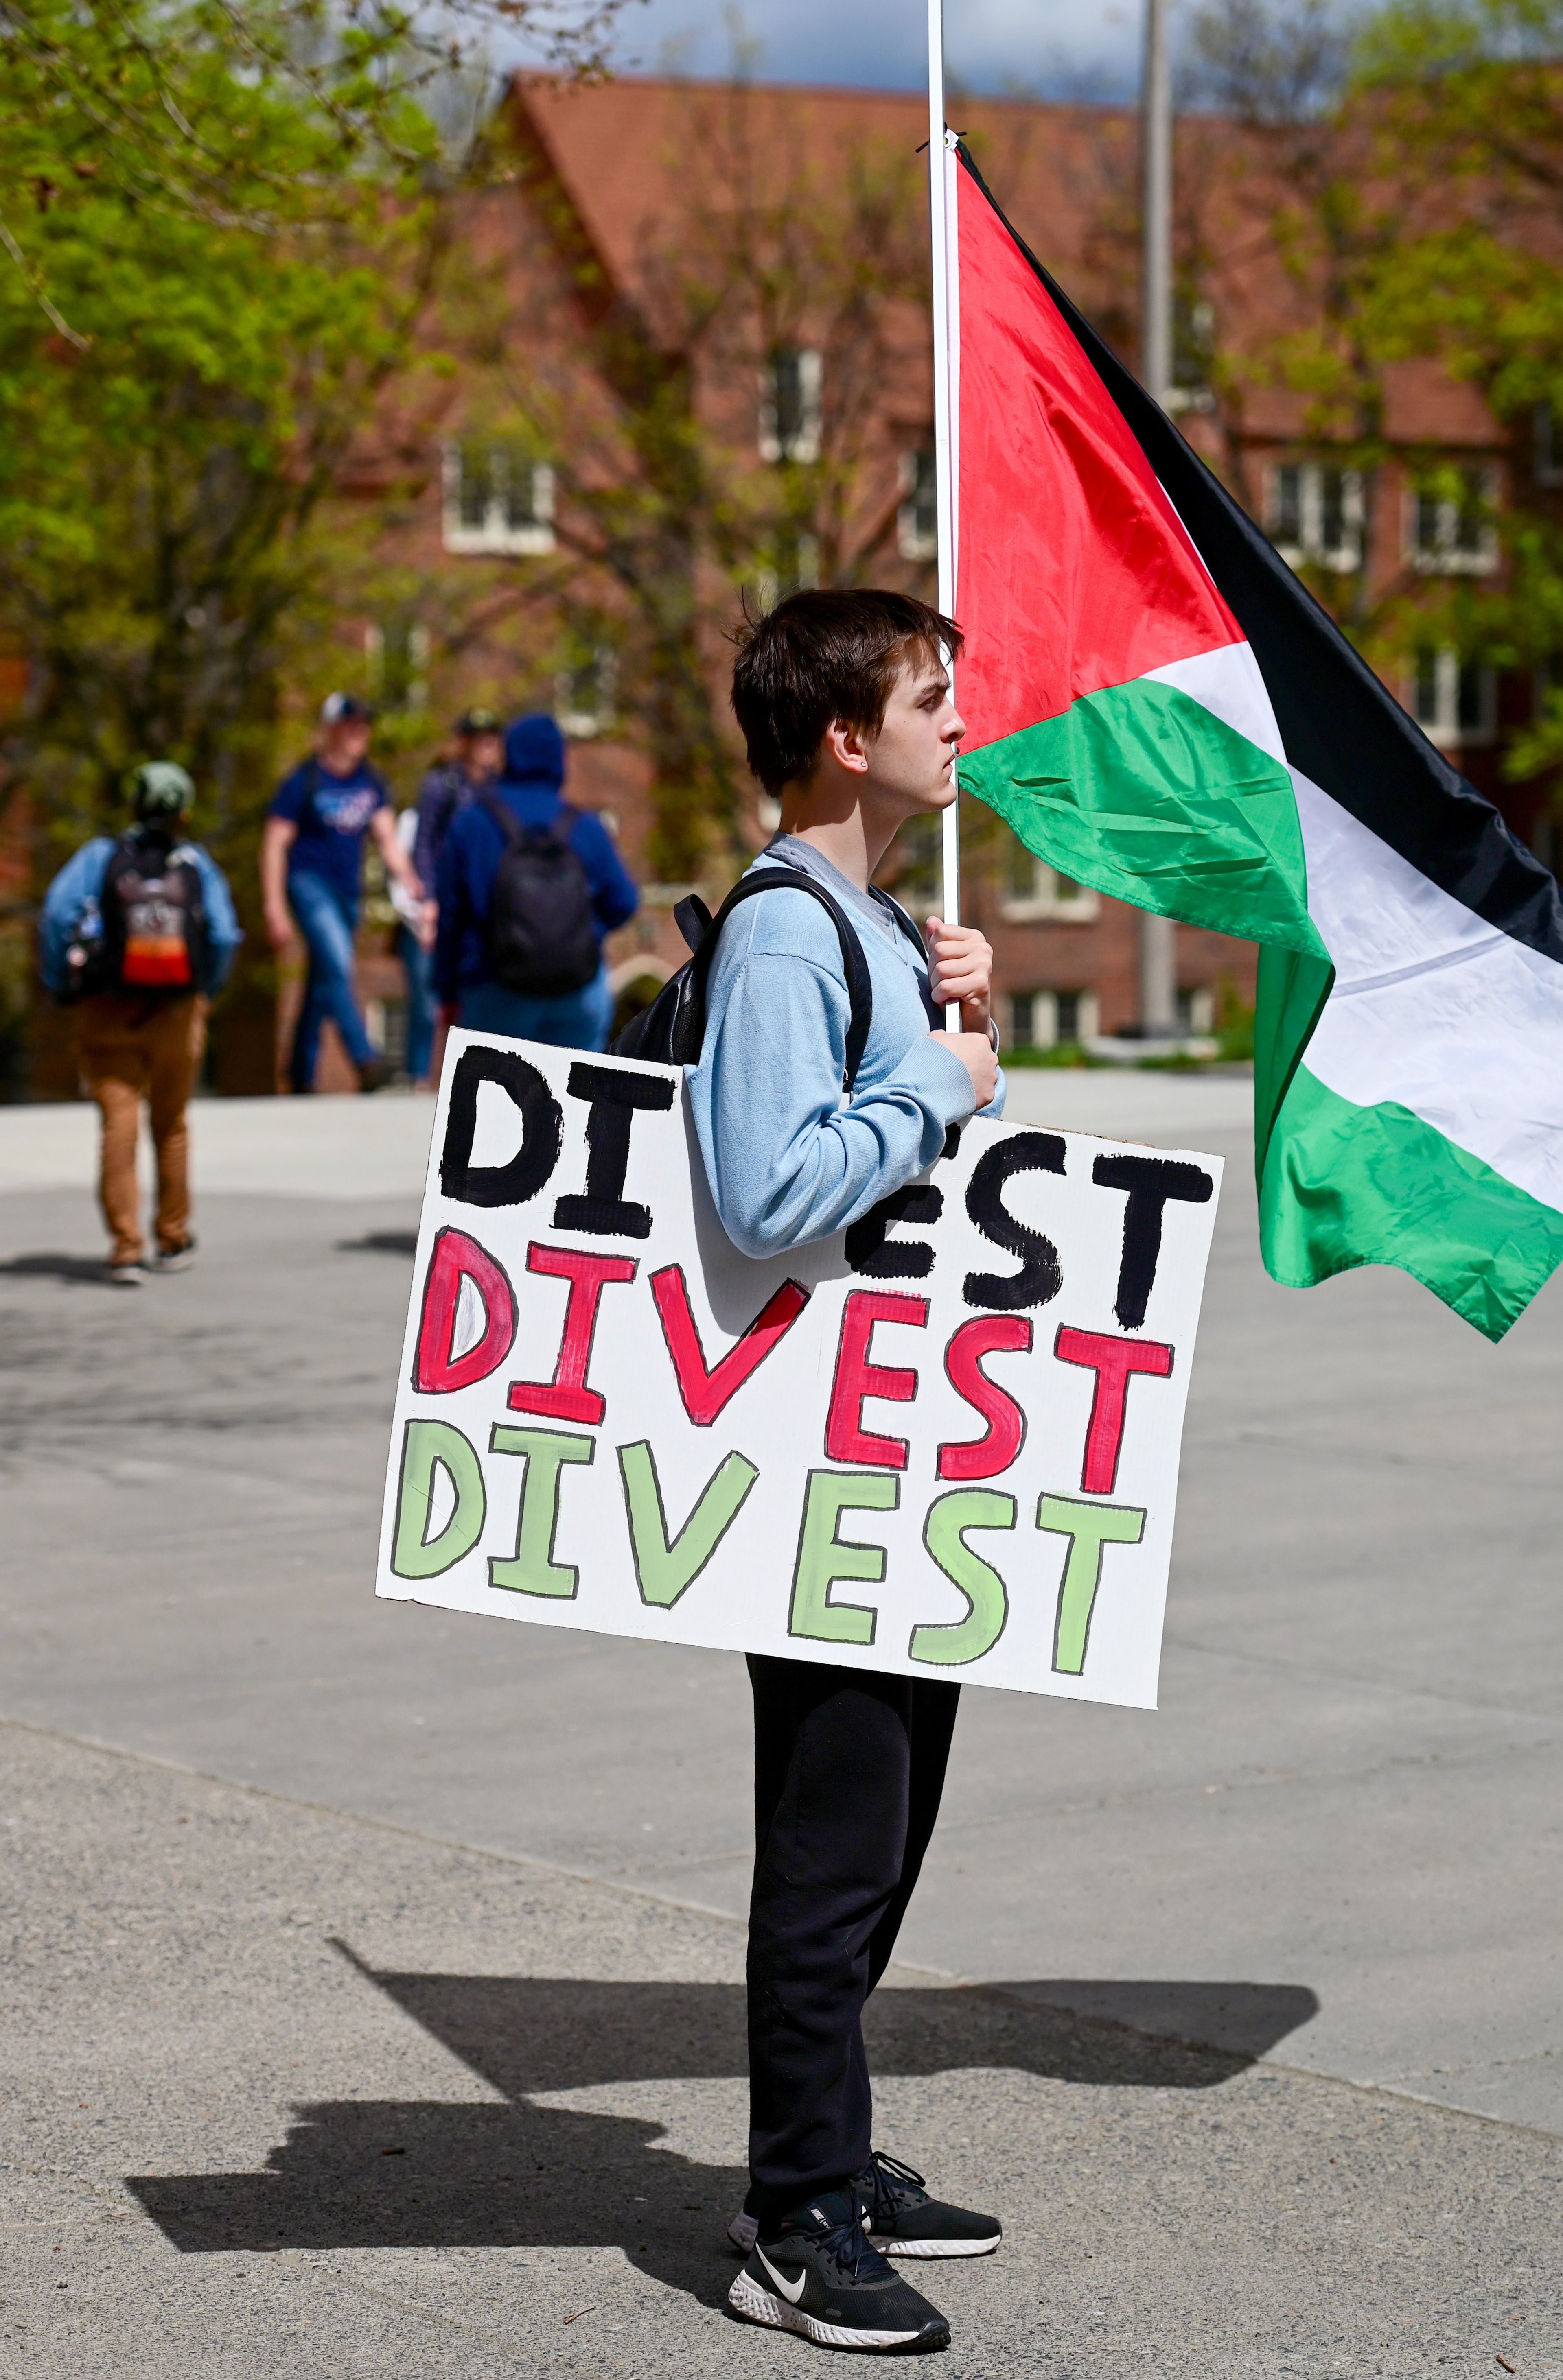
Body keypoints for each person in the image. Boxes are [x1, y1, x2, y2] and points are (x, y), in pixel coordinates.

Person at [689, 590, 1005, 2354]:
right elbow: (764, 1187)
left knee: (883, 1830)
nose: (960, 722)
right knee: (829, 1842)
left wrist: (964, 1025)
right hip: (807, 1452)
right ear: (842, 733)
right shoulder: (791, 936)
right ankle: (790, 2208)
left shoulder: (870, 923)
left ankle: (839, 2145)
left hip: (893, 1446)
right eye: (932, 697)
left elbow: (920, 1168)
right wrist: (941, 1087)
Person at [39, 761, 241, 1286]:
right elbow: (223, 934)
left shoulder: (101, 856)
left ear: (134, 806)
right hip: (177, 1013)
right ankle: (173, 1237)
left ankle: (126, 1247)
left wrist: (62, 982)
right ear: (185, 812)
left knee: (118, 1127)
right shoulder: (196, 861)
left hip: (107, 1011)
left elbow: (58, 917)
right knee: (171, 1125)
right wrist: (205, 992)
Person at [433, 712, 638, 1050]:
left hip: (493, 986)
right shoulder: (584, 826)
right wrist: (582, 934)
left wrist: (445, 991)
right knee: (571, 1098)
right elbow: (624, 901)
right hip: (576, 989)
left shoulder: (473, 823)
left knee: (494, 1100)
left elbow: (450, 918)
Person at [260, 693, 424, 1094]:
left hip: (348, 893)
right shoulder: (304, 780)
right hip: (308, 885)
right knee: (338, 966)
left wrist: (411, 879)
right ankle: (365, 1060)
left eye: (364, 725)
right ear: (332, 729)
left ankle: (300, 1072)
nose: (360, 733)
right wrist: (275, 906)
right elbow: (275, 843)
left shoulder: (370, 780)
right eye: (352, 725)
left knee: (322, 981)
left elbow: (386, 839)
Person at [392, 708, 505, 1085]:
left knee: (475, 991)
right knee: (430, 993)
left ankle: (469, 1076)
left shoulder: (496, 788)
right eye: (479, 737)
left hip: (482, 907)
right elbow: (424, 842)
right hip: (443, 903)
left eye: (491, 737)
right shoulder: (444, 785)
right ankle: (419, 1074)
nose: (486, 745)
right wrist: (427, 899)